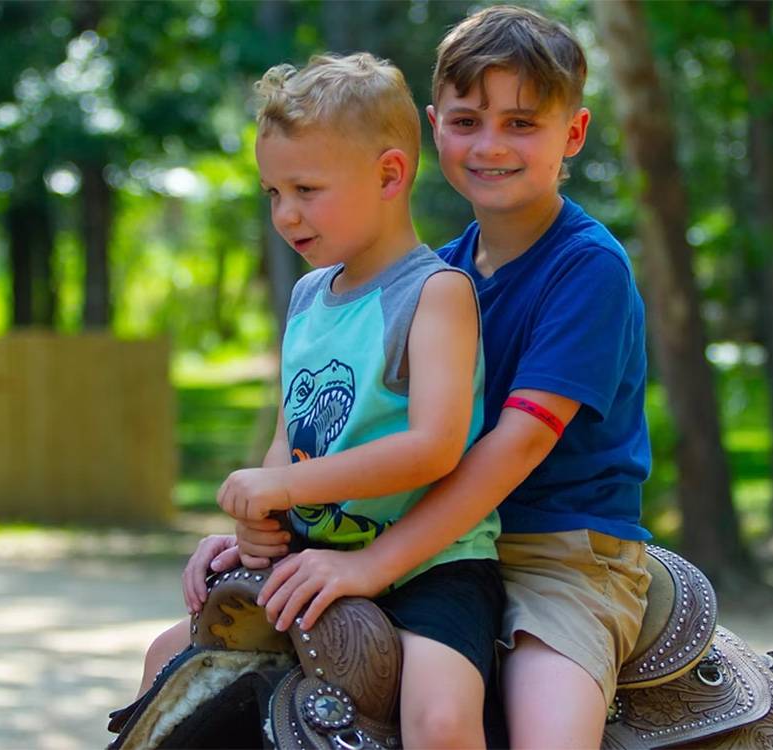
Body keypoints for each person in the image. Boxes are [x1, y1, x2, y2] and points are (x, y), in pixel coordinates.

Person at [192, 6, 653, 747]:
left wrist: (377, 562)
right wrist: (264, 527)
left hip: (558, 551)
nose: (490, 144)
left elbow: (513, 447)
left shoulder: (587, 267)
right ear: (435, 127)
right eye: (467, 121)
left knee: (545, 736)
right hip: (430, 532)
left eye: (521, 124)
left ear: (573, 134)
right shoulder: (437, 272)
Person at [138, 52, 504, 750]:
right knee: (166, 661)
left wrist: (283, 485)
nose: (285, 214)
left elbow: (434, 447)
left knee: (440, 719)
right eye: (273, 192)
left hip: (430, 568)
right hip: (311, 555)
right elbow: (290, 436)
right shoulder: (309, 296)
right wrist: (261, 521)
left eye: (306, 189)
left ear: (390, 175)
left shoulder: (435, 294)